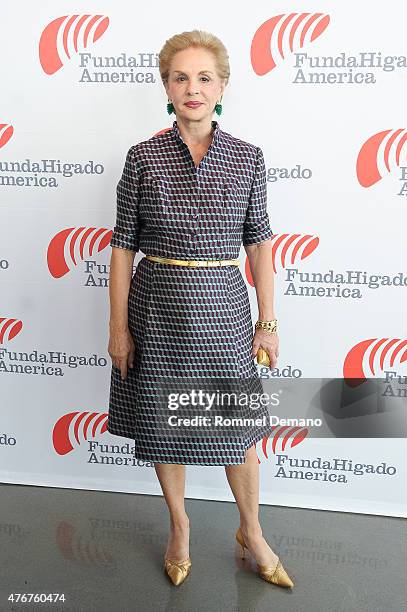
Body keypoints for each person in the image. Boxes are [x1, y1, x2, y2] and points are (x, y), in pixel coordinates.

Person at [107, 29, 294, 588]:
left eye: (204, 78)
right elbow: (122, 245)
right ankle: (180, 526)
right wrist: (117, 328)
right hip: (158, 311)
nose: (192, 88)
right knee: (166, 426)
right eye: (180, 77)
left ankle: (251, 531)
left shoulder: (247, 158)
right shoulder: (143, 157)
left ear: (222, 86)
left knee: (236, 429)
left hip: (224, 313)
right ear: (166, 86)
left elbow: (260, 243)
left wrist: (267, 321)